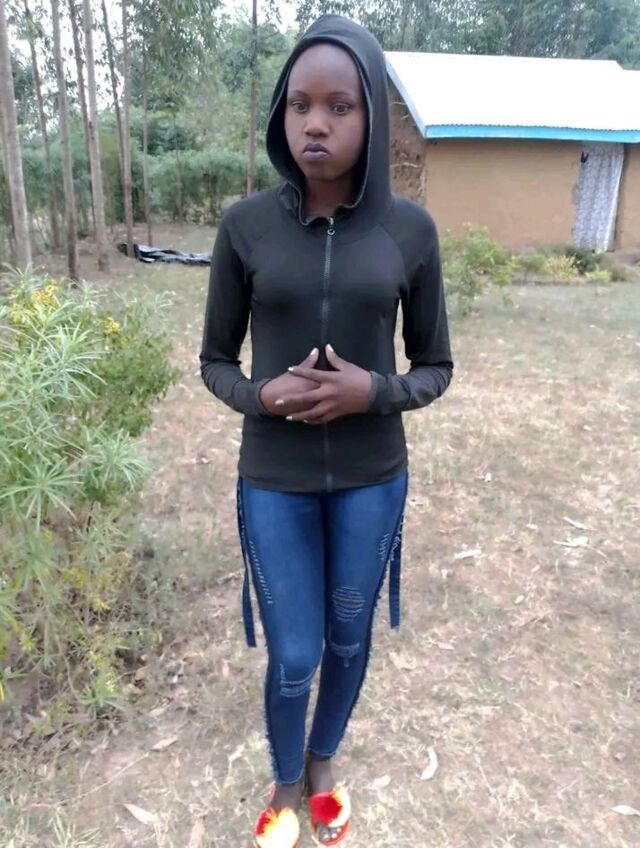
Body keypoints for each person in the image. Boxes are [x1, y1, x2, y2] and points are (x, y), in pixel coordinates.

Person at [199, 14, 453, 847]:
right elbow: (214, 362)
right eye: (299, 104)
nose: (316, 123)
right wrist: (261, 396)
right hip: (274, 479)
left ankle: (322, 764)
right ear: (281, 113)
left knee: (348, 635)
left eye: (340, 106)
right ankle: (283, 782)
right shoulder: (246, 227)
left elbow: (435, 367)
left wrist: (370, 391)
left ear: (370, 115)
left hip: (372, 477)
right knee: (296, 651)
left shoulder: (410, 232)